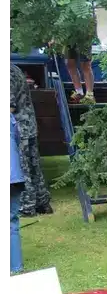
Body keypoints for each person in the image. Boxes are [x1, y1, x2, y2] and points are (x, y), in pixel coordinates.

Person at [9, 62, 52, 217]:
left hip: (17, 127)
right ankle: (42, 203)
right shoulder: (14, 68)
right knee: (34, 167)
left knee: (22, 168)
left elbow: (10, 106)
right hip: (28, 124)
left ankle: (26, 206)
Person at [62, 10, 98, 105]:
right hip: (69, 37)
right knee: (70, 64)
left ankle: (89, 95)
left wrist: (91, 34)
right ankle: (79, 92)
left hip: (84, 36)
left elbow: (93, 19)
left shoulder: (85, 6)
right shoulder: (64, 7)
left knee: (85, 65)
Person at [9, 111, 25, 275]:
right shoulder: (11, 119)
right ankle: (16, 266)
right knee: (12, 222)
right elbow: (17, 140)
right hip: (14, 177)